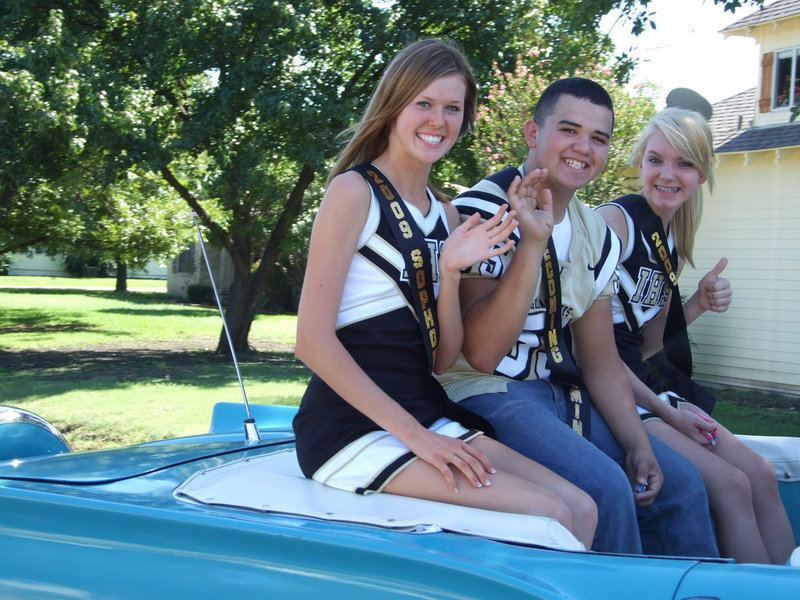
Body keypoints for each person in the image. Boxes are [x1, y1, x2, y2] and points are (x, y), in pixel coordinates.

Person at [292, 39, 597, 549]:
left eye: (452, 108)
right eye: (424, 104)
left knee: (582, 506)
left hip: (425, 410)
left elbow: (445, 358)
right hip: (351, 428)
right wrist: (416, 437)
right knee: (550, 515)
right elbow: (311, 342)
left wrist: (451, 272)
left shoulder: (447, 212)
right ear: (395, 105)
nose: (438, 120)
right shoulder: (353, 191)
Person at [436, 77, 718, 557]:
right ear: (532, 133)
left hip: (558, 392)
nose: (583, 148)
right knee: (606, 488)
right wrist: (532, 242)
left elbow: (600, 358)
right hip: (484, 392)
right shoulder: (482, 210)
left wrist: (638, 443)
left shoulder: (595, 233)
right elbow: (480, 355)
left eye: (599, 138)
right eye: (568, 130)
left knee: (681, 482)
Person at [596, 106, 797, 564]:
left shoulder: (670, 246)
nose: (668, 175)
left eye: (684, 163)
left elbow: (646, 344)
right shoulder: (615, 225)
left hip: (643, 387)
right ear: (640, 163)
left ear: (702, 173)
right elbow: (594, 354)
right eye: (655, 160)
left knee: (761, 475)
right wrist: (668, 415)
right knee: (732, 484)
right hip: (610, 397)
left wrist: (698, 305)